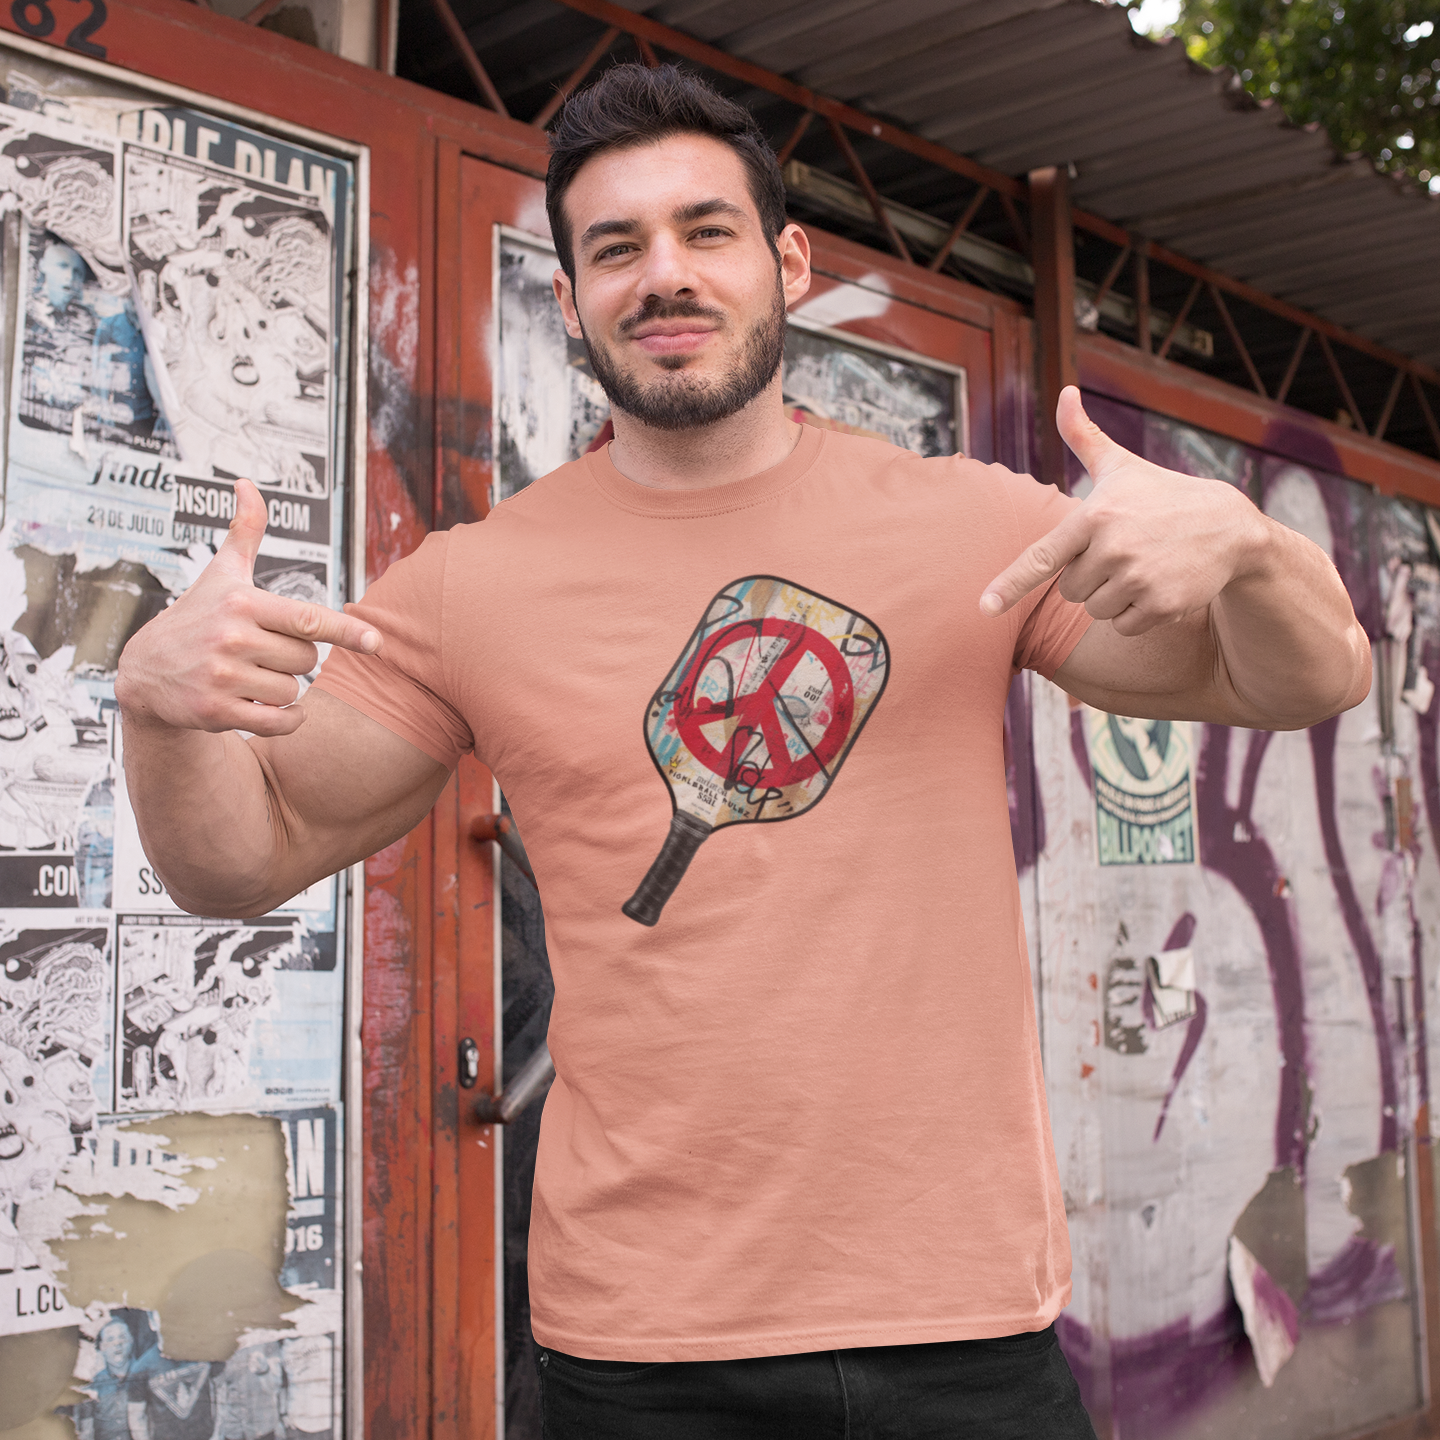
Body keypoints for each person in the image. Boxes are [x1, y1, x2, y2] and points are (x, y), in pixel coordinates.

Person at [114, 64, 1369, 1439]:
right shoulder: (470, 588)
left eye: (706, 231)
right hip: (639, 1356)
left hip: (962, 1328)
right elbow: (244, 855)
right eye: (616, 246)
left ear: (785, 259)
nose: (665, 274)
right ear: (572, 290)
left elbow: (1302, 680)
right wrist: (158, 710)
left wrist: (1250, 548)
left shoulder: (969, 526)